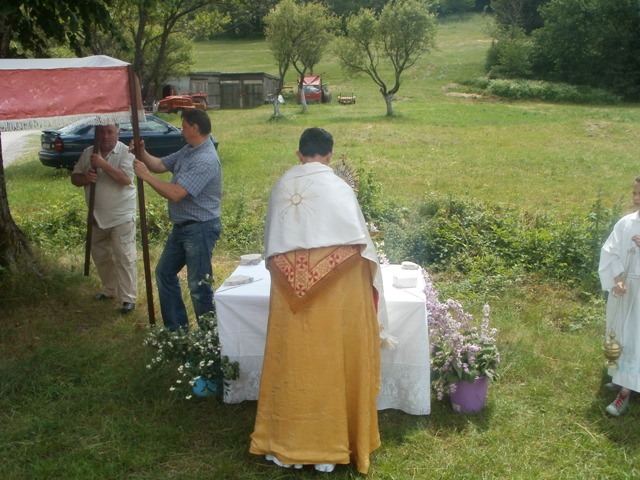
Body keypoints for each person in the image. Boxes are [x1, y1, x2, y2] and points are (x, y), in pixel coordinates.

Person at [249, 127, 388, 475]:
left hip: (285, 289)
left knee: (292, 360)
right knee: (331, 359)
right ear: (329, 155)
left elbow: (273, 243)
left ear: (298, 155)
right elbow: (361, 246)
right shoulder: (339, 187)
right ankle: (330, 446)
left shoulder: (281, 185)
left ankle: (282, 444)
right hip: (337, 289)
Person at [133, 109, 221, 331]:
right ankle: (177, 330)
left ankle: (210, 337)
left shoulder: (206, 159)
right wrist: (143, 153)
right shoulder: (189, 150)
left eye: (183, 126)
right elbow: (160, 165)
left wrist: (146, 177)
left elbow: (176, 193)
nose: (181, 130)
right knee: (164, 272)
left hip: (199, 229)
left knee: (199, 285)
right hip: (183, 228)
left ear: (195, 127)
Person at [71, 124, 138, 315]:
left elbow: (125, 178)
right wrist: (86, 177)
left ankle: (128, 298)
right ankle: (110, 290)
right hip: (96, 216)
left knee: (124, 256)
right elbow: (74, 178)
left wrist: (102, 164)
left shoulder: (126, 152)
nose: (105, 136)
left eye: (110, 132)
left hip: (121, 215)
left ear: (118, 132)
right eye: (101, 132)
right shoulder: (89, 153)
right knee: (100, 255)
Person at [598, 175, 640, 416]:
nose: (636, 199)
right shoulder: (626, 223)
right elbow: (610, 251)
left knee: (636, 339)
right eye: (634, 193)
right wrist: (618, 279)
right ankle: (620, 375)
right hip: (625, 290)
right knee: (620, 335)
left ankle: (626, 391)